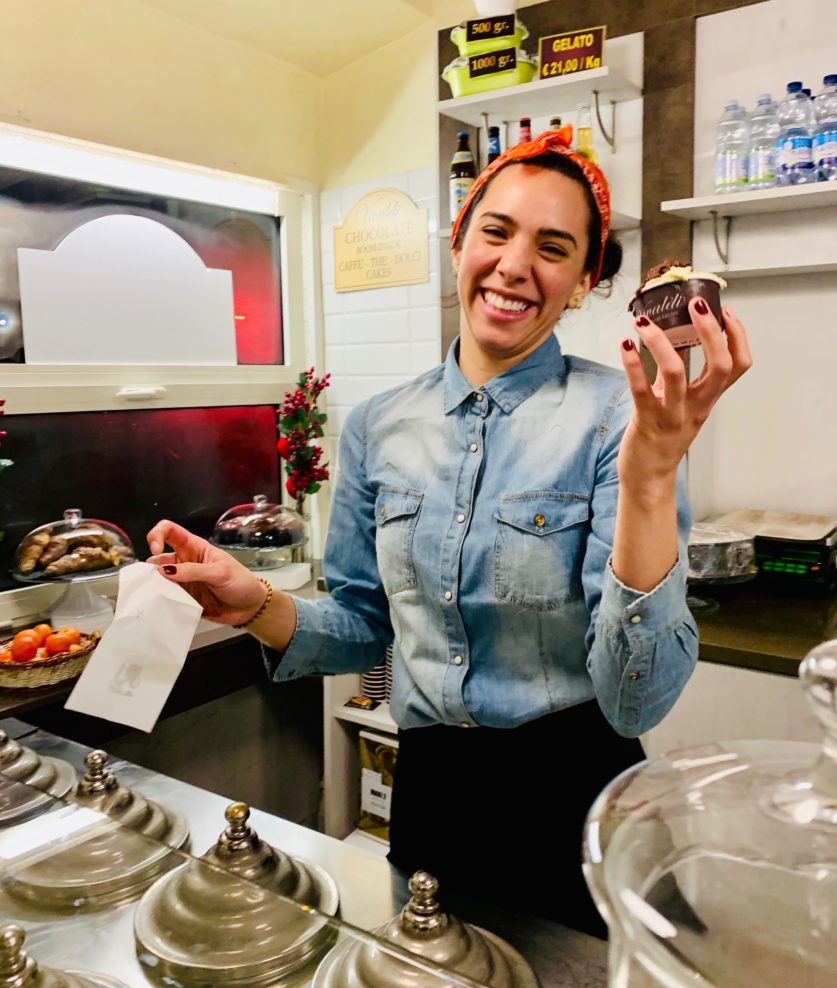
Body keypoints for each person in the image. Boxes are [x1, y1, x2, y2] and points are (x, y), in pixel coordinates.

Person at [147, 127, 752, 938]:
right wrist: (253, 600)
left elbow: (634, 695)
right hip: (433, 792)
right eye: (495, 231)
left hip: (581, 795)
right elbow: (365, 628)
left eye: (553, 247)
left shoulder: (624, 416)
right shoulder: (377, 425)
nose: (514, 265)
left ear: (580, 282)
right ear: (459, 242)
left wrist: (648, 478)